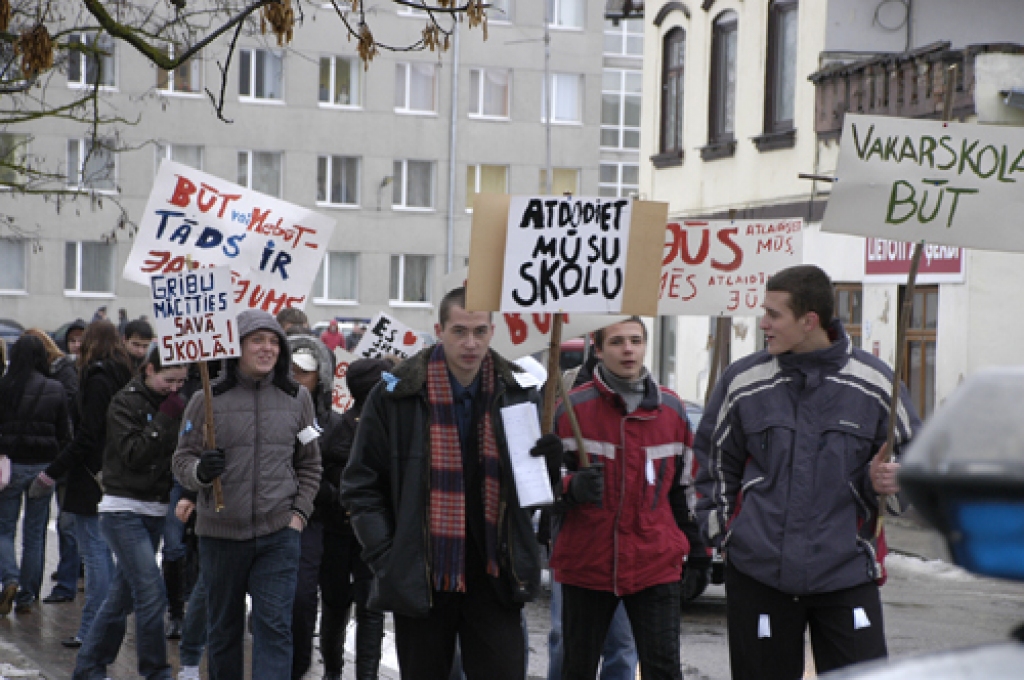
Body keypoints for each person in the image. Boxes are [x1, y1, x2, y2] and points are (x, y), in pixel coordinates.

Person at [694, 265, 921, 680]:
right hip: (759, 573)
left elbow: (921, 463)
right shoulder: (743, 381)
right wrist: (727, 533)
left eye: (774, 314)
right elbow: (711, 463)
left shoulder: (875, 385)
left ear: (809, 320)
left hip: (846, 571)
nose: (763, 323)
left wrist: (891, 483)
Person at [341, 286, 560, 680]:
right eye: (459, 331)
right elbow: (360, 484)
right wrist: (387, 556)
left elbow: (534, 492)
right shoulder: (394, 393)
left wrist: (552, 467)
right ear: (440, 330)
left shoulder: (518, 392)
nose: (470, 343)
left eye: (479, 331)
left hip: (494, 569)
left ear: (493, 330)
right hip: (422, 570)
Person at [172, 309, 322, 680]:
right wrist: (200, 473)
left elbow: (310, 463)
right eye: (257, 340)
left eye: (274, 341)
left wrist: (298, 515)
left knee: (274, 628)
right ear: (236, 347)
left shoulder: (297, 398)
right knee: (223, 630)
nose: (267, 348)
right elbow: (181, 460)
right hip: (221, 536)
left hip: (278, 535)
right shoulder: (206, 399)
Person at [547, 317, 696, 680]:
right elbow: (543, 486)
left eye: (635, 340)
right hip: (587, 562)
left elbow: (687, 488)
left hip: (654, 561)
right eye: (616, 342)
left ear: (646, 345)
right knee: (577, 667)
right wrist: (572, 487)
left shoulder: (672, 410)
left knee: (663, 668)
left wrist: (700, 549)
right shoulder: (572, 409)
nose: (627, 349)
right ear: (598, 350)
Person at [71, 346, 188, 680]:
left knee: (120, 599)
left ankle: (89, 667)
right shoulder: (124, 402)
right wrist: (166, 417)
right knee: (151, 593)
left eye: (181, 381)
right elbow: (133, 454)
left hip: (156, 509)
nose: (175, 388)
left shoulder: (178, 403)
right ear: (149, 369)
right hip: (122, 508)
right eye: (169, 380)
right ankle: (157, 672)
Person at [29, 320, 133, 647]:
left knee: (96, 555)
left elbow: (87, 435)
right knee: (105, 555)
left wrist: (52, 472)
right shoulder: (123, 373)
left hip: (92, 477)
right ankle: (102, 628)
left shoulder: (97, 377)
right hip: (114, 473)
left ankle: (92, 632)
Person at [321, 357, 391, 680]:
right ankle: (336, 671)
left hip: (369, 533)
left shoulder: (387, 426)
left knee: (363, 607)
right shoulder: (342, 427)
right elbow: (319, 474)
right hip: (343, 530)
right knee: (344, 605)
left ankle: (355, 673)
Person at [285, 334, 347, 680]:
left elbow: (343, 480)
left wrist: (319, 489)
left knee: (304, 599)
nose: (296, 376)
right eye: (290, 369)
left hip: (317, 524)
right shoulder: (267, 413)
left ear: (320, 375)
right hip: (266, 520)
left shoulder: (335, 424)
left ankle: (302, 669)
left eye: (304, 371)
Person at [0, 334, 73, 615]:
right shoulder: (54, 389)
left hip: (10, 468)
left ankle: (9, 578)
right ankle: (28, 595)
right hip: (43, 469)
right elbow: (65, 433)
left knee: (5, 529)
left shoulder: (4, 387)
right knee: (35, 533)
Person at [23, 329, 81, 606]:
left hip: (57, 458)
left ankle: (65, 582)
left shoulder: (60, 374)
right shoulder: (54, 378)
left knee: (65, 523)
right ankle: (46, 582)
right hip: (52, 458)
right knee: (51, 524)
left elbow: (67, 418)